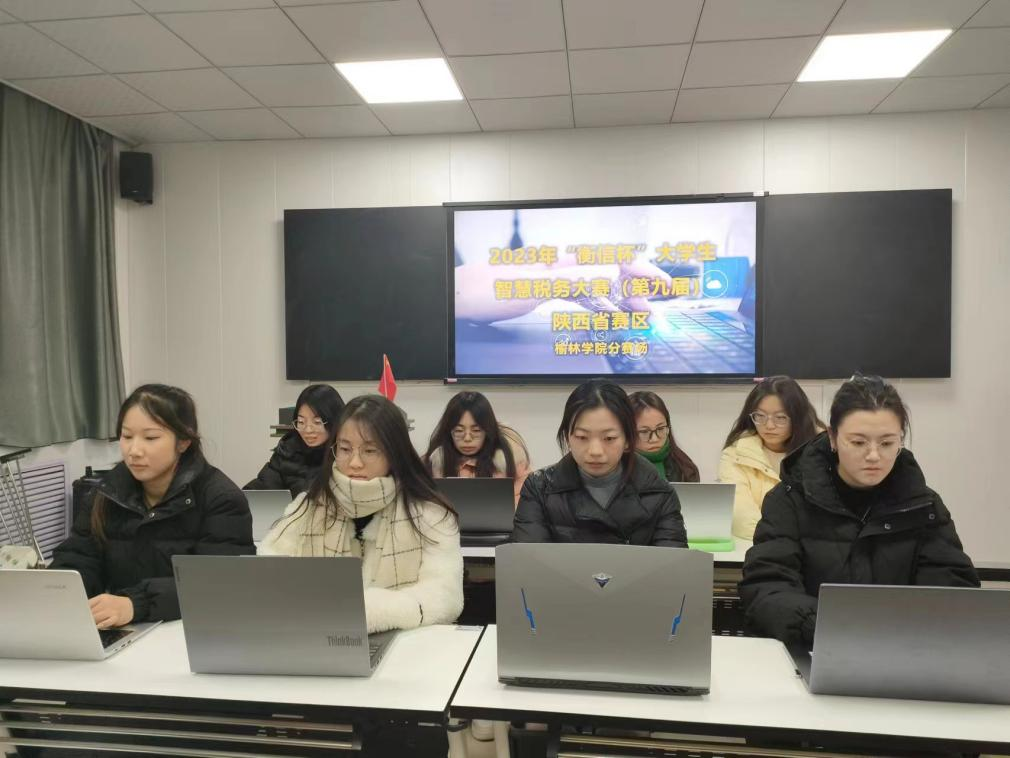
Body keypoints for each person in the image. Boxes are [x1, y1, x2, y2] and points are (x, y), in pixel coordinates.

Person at [739, 375, 979, 646]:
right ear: (833, 437)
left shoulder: (924, 505)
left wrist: (897, 631)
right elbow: (767, 587)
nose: (874, 455)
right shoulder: (790, 500)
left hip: (904, 652)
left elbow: (953, 590)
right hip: (811, 649)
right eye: (858, 442)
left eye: (887, 443)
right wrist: (825, 627)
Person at [50, 385, 254, 628]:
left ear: (183, 441)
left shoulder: (221, 498)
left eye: (150, 438)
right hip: (124, 628)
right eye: (127, 436)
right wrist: (59, 591)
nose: (134, 451)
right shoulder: (106, 492)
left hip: (189, 630)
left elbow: (218, 583)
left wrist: (136, 603)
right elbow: (79, 558)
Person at [260, 395, 464, 633]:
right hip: (318, 635)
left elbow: (445, 595)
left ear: (394, 453)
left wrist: (373, 611)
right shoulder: (308, 507)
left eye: (369, 450)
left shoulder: (430, 514)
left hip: (404, 641)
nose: (354, 463)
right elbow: (269, 569)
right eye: (345, 449)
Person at [512, 379, 687, 545]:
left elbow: (671, 563)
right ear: (567, 437)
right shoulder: (539, 490)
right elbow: (529, 561)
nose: (595, 451)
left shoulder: (660, 494)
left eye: (609, 438)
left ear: (628, 440)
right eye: (582, 437)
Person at [719, 376, 823, 540]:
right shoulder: (735, 455)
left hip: (812, 549)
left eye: (780, 417)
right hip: (759, 545)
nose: (769, 426)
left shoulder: (822, 451)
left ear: (798, 417)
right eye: (760, 416)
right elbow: (742, 519)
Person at [423, 391, 530, 504]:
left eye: (476, 430)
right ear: (448, 431)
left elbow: (526, 503)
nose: (467, 438)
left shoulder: (511, 460)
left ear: (487, 430)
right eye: (459, 430)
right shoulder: (434, 462)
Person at [245, 384, 344, 497]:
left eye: (317, 422)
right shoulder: (288, 450)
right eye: (301, 422)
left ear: (334, 421)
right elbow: (262, 487)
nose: (307, 430)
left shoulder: (345, 455)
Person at [628, 391, 700, 483]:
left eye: (660, 429)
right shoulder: (616, 472)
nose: (654, 439)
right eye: (644, 432)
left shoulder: (685, 469)